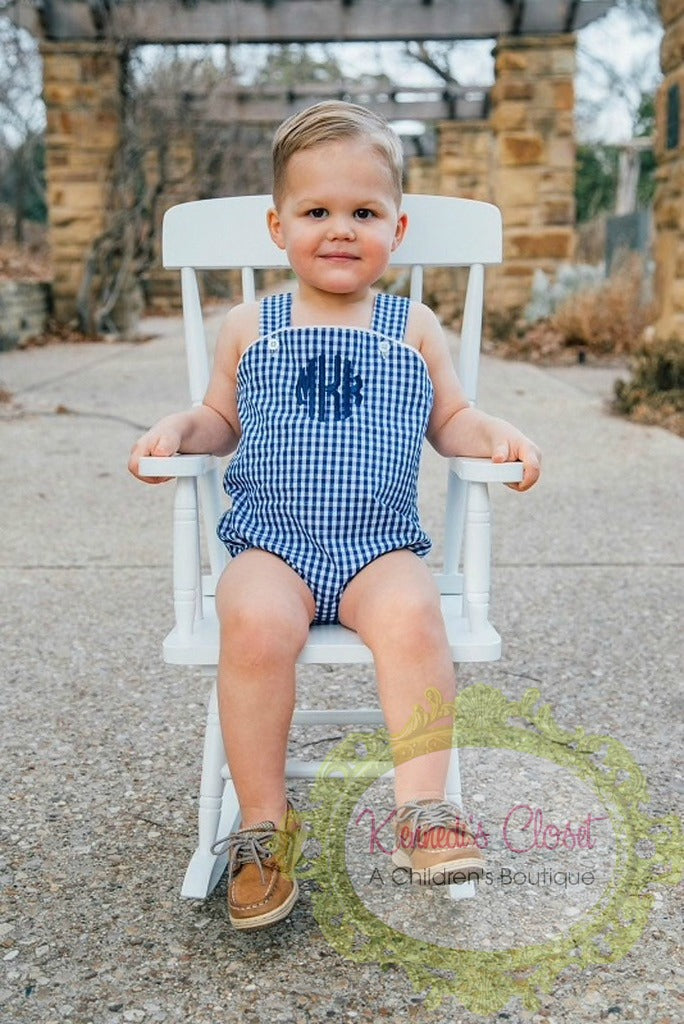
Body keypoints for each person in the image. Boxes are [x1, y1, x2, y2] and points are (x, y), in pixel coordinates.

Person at [129, 101, 541, 930]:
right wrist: (182, 427)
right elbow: (221, 419)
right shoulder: (251, 325)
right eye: (317, 212)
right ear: (279, 227)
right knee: (249, 626)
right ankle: (262, 824)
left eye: (364, 212)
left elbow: (451, 421)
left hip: (377, 547)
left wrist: (491, 432)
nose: (341, 229)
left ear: (398, 223)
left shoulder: (413, 327)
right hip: (271, 544)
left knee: (416, 617)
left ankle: (423, 811)